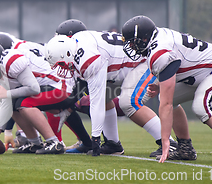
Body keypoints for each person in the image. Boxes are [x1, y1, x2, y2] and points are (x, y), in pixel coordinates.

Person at [121, 15, 212, 165]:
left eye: (133, 43)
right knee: (170, 98)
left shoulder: (160, 52)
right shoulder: (158, 40)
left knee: (201, 107)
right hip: (204, 72)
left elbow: (166, 105)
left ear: (144, 39)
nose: (131, 47)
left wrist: (165, 140)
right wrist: (161, 86)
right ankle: (185, 148)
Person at [45, 19, 190, 157]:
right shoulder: (81, 46)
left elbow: (95, 99)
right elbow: (76, 92)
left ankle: (169, 143)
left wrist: (95, 137)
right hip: (120, 69)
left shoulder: (87, 55)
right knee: (104, 99)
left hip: (143, 62)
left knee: (128, 102)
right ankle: (113, 144)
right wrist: (66, 110)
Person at [0, 41, 73, 154]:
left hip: (61, 87)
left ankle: (55, 143)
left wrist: (7, 93)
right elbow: (8, 101)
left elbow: (33, 88)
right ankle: (34, 143)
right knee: (15, 104)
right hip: (49, 88)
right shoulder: (2, 67)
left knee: (24, 103)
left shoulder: (11, 61)